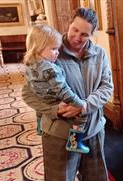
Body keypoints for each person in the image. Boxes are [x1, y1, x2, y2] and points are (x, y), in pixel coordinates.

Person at [21, 7, 113, 181]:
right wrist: (55, 110)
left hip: (93, 130)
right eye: (74, 30)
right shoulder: (50, 50)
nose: (77, 37)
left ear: (92, 35)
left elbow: (107, 87)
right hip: (58, 134)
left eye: (84, 34)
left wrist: (85, 106)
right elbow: (28, 94)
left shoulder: (99, 54)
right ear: (69, 24)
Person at [23, 24, 89, 153]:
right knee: (81, 115)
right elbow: (62, 90)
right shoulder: (50, 69)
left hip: (40, 96)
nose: (57, 52)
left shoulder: (29, 64)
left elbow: (29, 84)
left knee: (39, 110)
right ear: (38, 48)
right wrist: (79, 103)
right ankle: (75, 142)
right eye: (53, 49)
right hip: (54, 100)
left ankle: (39, 126)